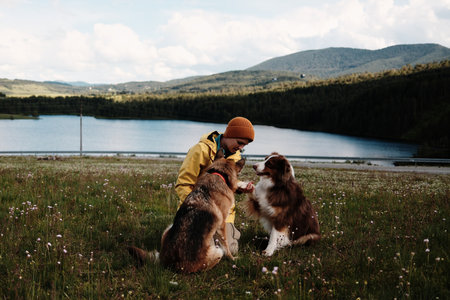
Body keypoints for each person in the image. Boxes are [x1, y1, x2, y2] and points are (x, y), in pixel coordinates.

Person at [175, 116, 255, 255]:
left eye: (244, 146)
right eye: (239, 142)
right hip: (197, 211)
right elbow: (183, 183)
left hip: (223, 215)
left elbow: (225, 185)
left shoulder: (235, 156)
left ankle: (230, 233)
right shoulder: (200, 150)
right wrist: (197, 205)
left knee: (230, 250)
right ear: (230, 134)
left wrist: (239, 188)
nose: (241, 148)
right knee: (202, 250)